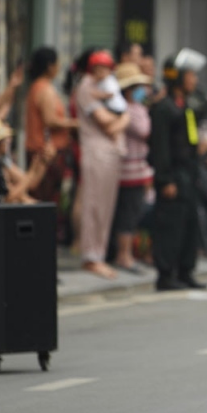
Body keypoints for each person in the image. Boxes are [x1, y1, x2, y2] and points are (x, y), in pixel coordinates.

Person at [148, 48, 207, 291]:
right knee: (170, 227)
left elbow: (191, 139)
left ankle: (185, 272)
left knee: (189, 225)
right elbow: (160, 148)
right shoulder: (163, 108)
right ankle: (166, 275)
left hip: (189, 175)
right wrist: (165, 180)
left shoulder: (185, 107)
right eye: (190, 75)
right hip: (173, 176)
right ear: (177, 77)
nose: (194, 80)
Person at [74, 51, 130, 280]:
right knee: (95, 205)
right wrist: (126, 117)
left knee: (105, 207)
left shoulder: (106, 86)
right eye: (102, 67)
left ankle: (98, 254)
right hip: (97, 153)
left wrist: (123, 117)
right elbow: (108, 124)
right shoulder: (86, 88)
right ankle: (91, 256)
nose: (105, 71)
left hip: (109, 154)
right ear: (93, 68)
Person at [25, 47, 79, 241]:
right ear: (50, 66)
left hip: (43, 151)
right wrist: (76, 123)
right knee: (45, 202)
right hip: (46, 153)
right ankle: (44, 240)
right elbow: (50, 120)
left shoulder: (37, 87)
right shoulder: (44, 89)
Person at [113, 63, 154, 274]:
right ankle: (123, 255)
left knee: (134, 213)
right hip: (128, 171)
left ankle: (130, 253)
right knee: (127, 215)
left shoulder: (136, 108)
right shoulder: (127, 109)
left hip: (139, 169)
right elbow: (144, 130)